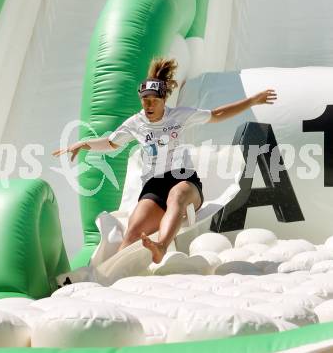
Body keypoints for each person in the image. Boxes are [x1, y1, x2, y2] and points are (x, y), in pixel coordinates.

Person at [53, 58, 277, 263]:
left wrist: (252, 101)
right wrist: (83, 144)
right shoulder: (136, 122)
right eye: (144, 100)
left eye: (153, 100)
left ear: (163, 99)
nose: (148, 106)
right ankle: (107, 277)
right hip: (154, 186)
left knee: (176, 196)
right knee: (132, 232)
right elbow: (112, 143)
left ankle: (160, 246)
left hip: (184, 181)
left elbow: (216, 115)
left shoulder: (178, 115)